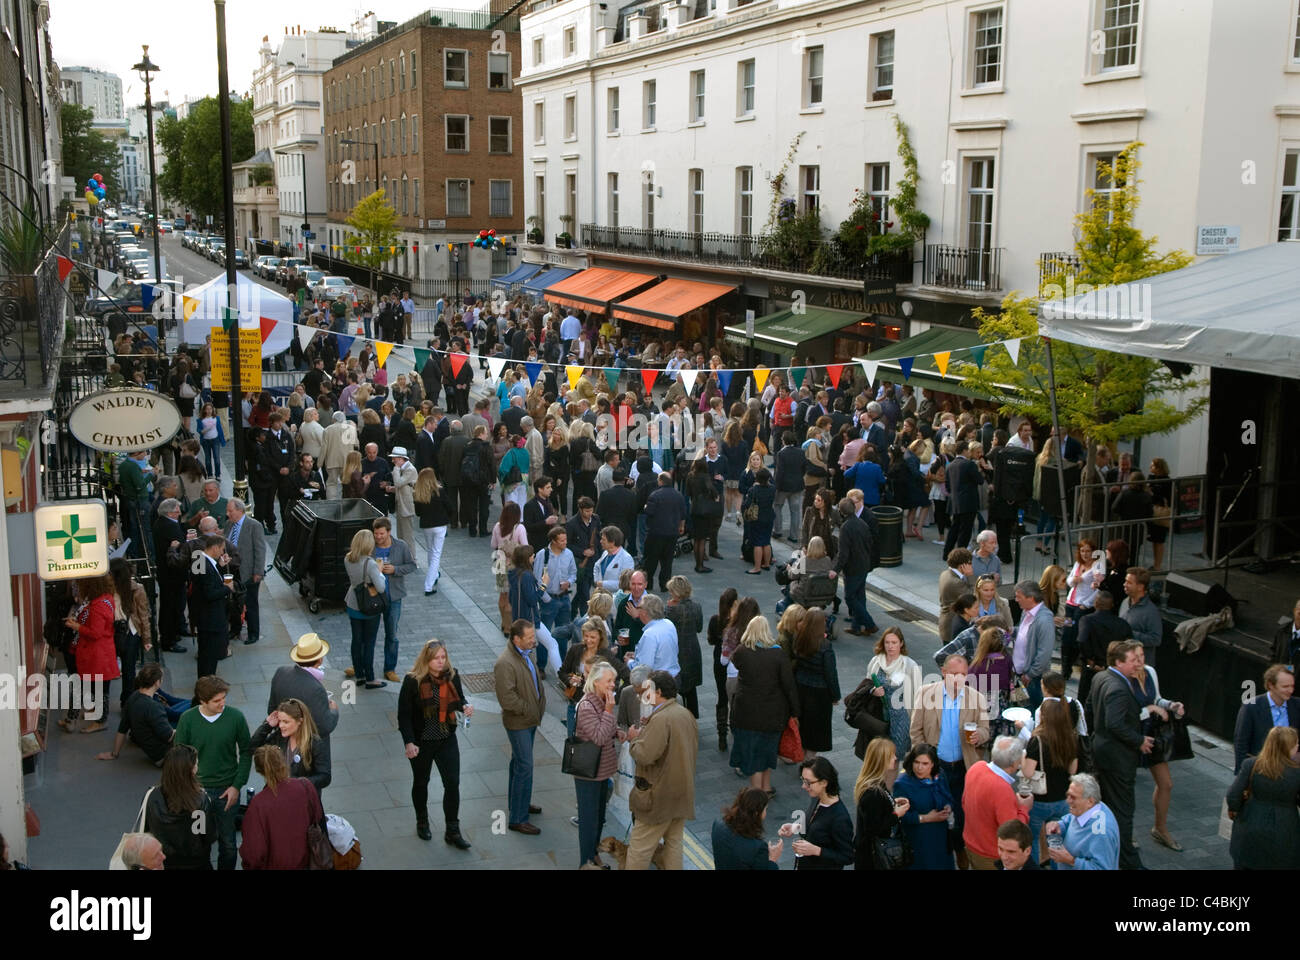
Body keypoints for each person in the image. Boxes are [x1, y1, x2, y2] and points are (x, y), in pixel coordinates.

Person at [910, 654, 989, 868]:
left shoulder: (976, 697)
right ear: (944, 673)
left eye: (963, 674)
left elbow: (985, 729)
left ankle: (959, 849)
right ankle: (938, 854)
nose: (958, 679)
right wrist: (922, 762)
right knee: (935, 811)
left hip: (964, 767)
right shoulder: (926, 693)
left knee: (962, 814)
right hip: (937, 765)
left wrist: (979, 735)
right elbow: (915, 731)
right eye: (954, 674)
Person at [397, 640, 473, 848]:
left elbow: (459, 699)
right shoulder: (413, 681)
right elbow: (404, 715)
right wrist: (409, 742)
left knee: (453, 783)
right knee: (421, 782)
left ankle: (453, 830)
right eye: (436, 658)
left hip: (446, 738)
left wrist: (465, 706)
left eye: (443, 657)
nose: (441, 662)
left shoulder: (452, 675)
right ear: (426, 660)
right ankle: (422, 821)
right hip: (422, 741)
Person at [175, 676, 251, 871]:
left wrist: (236, 786)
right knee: (199, 842)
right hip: (197, 794)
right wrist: (188, 790)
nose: (222, 703)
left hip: (227, 793)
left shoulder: (236, 718)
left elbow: (245, 752)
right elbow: (179, 758)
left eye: (224, 698)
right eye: (217, 701)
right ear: (202, 700)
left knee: (228, 843)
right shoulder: (188, 720)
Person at [625, 670, 699, 870]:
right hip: (681, 792)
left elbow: (645, 755)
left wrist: (634, 739)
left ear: (658, 692)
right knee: (674, 844)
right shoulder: (685, 714)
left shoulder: (661, 719)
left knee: (639, 847)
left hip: (658, 796)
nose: (643, 696)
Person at [1087, 640, 1151, 870]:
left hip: (1101, 753)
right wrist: (1139, 740)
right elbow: (1114, 724)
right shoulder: (1118, 689)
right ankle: (1128, 862)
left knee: (1105, 807)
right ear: (1118, 662)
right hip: (1118, 759)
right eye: (1133, 660)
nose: (1138, 664)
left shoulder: (1100, 678)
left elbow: (1090, 709)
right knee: (1122, 812)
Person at [730, 614, 799, 796]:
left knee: (753, 755)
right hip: (773, 714)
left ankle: (756, 793)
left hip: (746, 713)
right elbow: (789, 686)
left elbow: (735, 664)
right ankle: (765, 788)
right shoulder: (778, 654)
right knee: (768, 752)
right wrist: (795, 711)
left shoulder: (741, 652)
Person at [1129, 643, 1186, 852]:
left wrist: (1171, 705)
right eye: (1135, 657)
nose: (1140, 661)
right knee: (1127, 787)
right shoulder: (1123, 678)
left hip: (1152, 735)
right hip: (1131, 736)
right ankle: (1127, 831)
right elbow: (1125, 713)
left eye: (1142, 656)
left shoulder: (1150, 672)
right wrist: (1148, 709)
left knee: (1166, 784)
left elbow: (1157, 698)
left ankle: (1160, 828)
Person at [495, 619, 547, 835]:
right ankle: (517, 818)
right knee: (525, 766)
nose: (534, 641)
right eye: (530, 638)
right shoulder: (505, 663)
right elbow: (507, 699)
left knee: (519, 763)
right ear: (516, 639)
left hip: (529, 719)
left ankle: (519, 804)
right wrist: (529, 709)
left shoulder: (525, 653)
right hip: (519, 722)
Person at [1226, 725, 1300, 870]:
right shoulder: (1297, 773)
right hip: (1286, 827)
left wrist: (1236, 811)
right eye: (1296, 744)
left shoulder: (1251, 764)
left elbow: (1233, 795)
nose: (1298, 746)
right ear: (1288, 747)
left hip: (1250, 822)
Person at [238, 745, 324, 870]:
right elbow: (317, 816)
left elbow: (254, 851)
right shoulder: (305, 786)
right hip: (306, 862)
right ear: (282, 762)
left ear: (259, 770)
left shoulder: (258, 804)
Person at [572, 660, 620, 869]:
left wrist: (624, 734)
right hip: (589, 773)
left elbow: (609, 729)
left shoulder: (601, 700)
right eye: (609, 681)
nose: (613, 685)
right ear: (596, 682)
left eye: (614, 681)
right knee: (589, 821)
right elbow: (600, 737)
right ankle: (586, 863)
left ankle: (594, 855)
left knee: (599, 817)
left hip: (602, 771)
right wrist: (609, 710)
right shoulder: (586, 706)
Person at [1020, 699, 1079, 862]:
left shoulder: (1037, 741)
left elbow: (1028, 772)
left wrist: (1023, 757)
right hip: (1063, 798)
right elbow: (1073, 770)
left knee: (1031, 840)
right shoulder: (1071, 738)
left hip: (1040, 799)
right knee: (1056, 841)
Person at [962, 736, 1033, 870]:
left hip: (971, 845)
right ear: (1014, 764)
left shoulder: (976, 767)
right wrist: (1024, 808)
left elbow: (964, 803)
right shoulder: (1002, 789)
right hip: (990, 856)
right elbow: (1013, 832)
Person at [61, 573, 119, 733]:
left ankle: (98, 721)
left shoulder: (97, 606)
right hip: (103, 652)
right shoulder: (107, 599)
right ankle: (96, 717)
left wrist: (76, 626)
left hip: (95, 654)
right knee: (99, 687)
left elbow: (95, 633)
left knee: (89, 687)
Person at [143, 744, 215, 869]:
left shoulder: (152, 797)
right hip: (197, 864)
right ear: (191, 770)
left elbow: (147, 829)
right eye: (196, 764)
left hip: (163, 862)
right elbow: (208, 836)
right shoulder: (200, 801)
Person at [97, 664, 180, 765]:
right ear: (157, 683)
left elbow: (122, 728)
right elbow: (169, 736)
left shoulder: (133, 697)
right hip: (165, 755)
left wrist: (114, 753)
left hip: (154, 752)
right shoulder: (153, 707)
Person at [892, 742, 956, 869]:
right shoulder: (902, 784)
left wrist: (948, 806)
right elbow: (900, 817)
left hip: (941, 838)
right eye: (917, 762)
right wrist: (926, 818)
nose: (919, 768)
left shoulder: (940, 775)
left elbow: (948, 796)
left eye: (925, 763)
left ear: (933, 764)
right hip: (919, 841)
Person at [250, 698, 331, 797]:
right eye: (280, 721)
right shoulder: (279, 736)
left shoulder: (315, 743)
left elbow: (325, 776)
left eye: (286, 722)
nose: (280, 725)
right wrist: (267, 725)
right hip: (277, 795)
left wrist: (299, 783)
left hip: (301, 798)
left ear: (300, 721)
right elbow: (253, 749)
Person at [865, 626, 924, 760]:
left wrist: (916, 723)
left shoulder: (910, 665)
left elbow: (918, 696)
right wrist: (873, 691)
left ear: (901, 643)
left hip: (901, 718)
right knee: (878, 756)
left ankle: (890, 782)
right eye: (887, 642)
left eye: (894, 643)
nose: (890, 646)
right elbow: (866, 685)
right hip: (878, 716)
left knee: (895, 758)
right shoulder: (876, 662)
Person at [851, 739, 910, 870]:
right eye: (891, 755)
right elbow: (873, 828)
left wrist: (893, 803)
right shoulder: (873, 793)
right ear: (881, 760)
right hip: (873, 858)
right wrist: (896, 814)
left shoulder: (876, 784)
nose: (895, 758)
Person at [1044, 773, 1121, 870]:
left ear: (1090, 801)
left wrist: (1071, 860)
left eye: (1073, 797)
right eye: (1068, 795)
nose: (1067, 801)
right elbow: (1071, 819)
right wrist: (1060, 825)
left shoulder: (1101, 833)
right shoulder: (1089, 808)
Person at [792, 608, 840, 761]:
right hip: (819, 695)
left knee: (804, 727)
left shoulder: (799, 638)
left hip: (801, 688)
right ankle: (808, 765)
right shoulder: (825, 646)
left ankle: (803, 758)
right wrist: (835, 695)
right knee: (816, 731)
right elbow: (830, 673)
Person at [1233, 664, 1300, 774]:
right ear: (1270, 685)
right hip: (1261, 770)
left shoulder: (1297, 706)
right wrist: (1242, 773)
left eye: (1292, 686)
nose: (1290, 690)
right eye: (1285, 687)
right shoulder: (1251, 707)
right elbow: (1241, 742)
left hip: (1289, 771)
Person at [343, 529, 388, 689]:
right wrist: (380, 572)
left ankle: (360, 674)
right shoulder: (370, 564)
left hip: (353, 603)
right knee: (369, 643)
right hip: (369, 607)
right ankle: (370, 678)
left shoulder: (348, 559)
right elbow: (381, 588)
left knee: (357, 641)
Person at [832, 497, 879, 637]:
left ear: (841, 512)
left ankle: (870, 624)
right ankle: (856, 626)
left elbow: (843, 553)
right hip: (864, 565)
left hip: (852, 568)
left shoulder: (845, 528)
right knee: (860, 596)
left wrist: (835, 570)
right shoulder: (862, 523)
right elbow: (870, 543)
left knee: (850, 597)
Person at [1076, 590, 1129, 706]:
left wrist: (1091, 660)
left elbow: (1082, 640)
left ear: (1096, 603)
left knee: (1085, 701)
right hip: (1114, 669)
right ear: (1112, 605)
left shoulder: (1087, 620)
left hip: (1091, 667)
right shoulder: (1122, 624)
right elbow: (1128, 645)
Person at [225, 498, 266, 647]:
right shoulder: (228, 524)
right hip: (232, 572)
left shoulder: (254, 526)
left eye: (230, 511)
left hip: (248, 572)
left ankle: (253, 633)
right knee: (234, 603)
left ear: (240, 510)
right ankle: (235, 629)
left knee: (250, 603)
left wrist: (258, 572)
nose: (227, 514)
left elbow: (260, 550)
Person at [712, 787, 782, 870]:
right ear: (756, 813)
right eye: (765, 809)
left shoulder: (718, 825)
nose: (765, 813)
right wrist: (772, 860)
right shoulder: (758, 848)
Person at [1012, 579, 1055, 709]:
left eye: (1019, 597)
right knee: (1019, 706)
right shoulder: (1026, 612)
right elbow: (1022, 633)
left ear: (1030, 598)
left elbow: (1044, 652)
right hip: (1019, 675)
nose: (1016, 600)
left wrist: (1031, 674)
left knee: (1031, 710)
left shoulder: (1044, 620)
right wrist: (1010, 631)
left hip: (1032, 679)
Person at [664, 576, 703, 719]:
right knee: (691, 690)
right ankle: (693, 718)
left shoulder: (670, 609)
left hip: (677, 653)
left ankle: (679, 721)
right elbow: (699, 628)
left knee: (676, 687)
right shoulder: (696, 606)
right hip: (693, 651)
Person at [490, 502, 530, 634]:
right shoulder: (519, 529)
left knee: (502, 595)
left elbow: (493, 545)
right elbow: (525, 547)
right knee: (511, 598)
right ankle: (509, 627)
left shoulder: (497, 526)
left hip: (500, 564)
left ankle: (503, 622)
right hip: (514, 566)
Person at [643, 472, 687, 590]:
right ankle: (665, 584)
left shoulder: (655, 495)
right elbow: (683, 514)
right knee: (667, 561)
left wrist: (645, 507)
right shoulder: (679, 495)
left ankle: (649, 583)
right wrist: (681, 526)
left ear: (661, 481)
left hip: (656, 533)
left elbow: (649, 512)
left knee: (651, 560)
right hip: (672, 532)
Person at [708, 587, 739, 752]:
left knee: (722, 697)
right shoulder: (739, 622)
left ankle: (722, 735)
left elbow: (711, 640)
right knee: (735, 697)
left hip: (719, 663)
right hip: (735, 663)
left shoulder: (715, 620)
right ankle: (735, 728)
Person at [624, 593, 680, 677]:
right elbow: (661, 654)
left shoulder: (649, 634)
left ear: (644, 612)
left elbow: (643, 670)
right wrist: (637, 654)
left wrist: (628, 662)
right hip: (674, 677)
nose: (637, 610)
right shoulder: (669, 623)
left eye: (638, 608)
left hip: (659, 684)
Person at [1120, 566, 1163, 668]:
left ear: (1140, 587)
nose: (1124, 584)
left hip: (1139, 668)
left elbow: (1156, 639)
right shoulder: (1125, 602)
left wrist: (1130, 633)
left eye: (1129, 582)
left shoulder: (1151, 612)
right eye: (1125, 581)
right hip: (1123, 663)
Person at [742, 467, 776, 575]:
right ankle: (766, 563)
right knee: (766, 542)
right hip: (769, 517)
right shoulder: (772, 489)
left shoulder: (753, 490)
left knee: (757, 542)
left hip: (757, 518)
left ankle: (757, 568)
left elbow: (747, 504)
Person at [937, 548, 974, 644]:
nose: (971, 566)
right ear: (963, 565)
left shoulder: (945, 573)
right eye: (970, 563)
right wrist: (970, 576)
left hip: (946, 622)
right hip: (952, 626)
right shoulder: (956, 582)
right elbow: (972, 597)